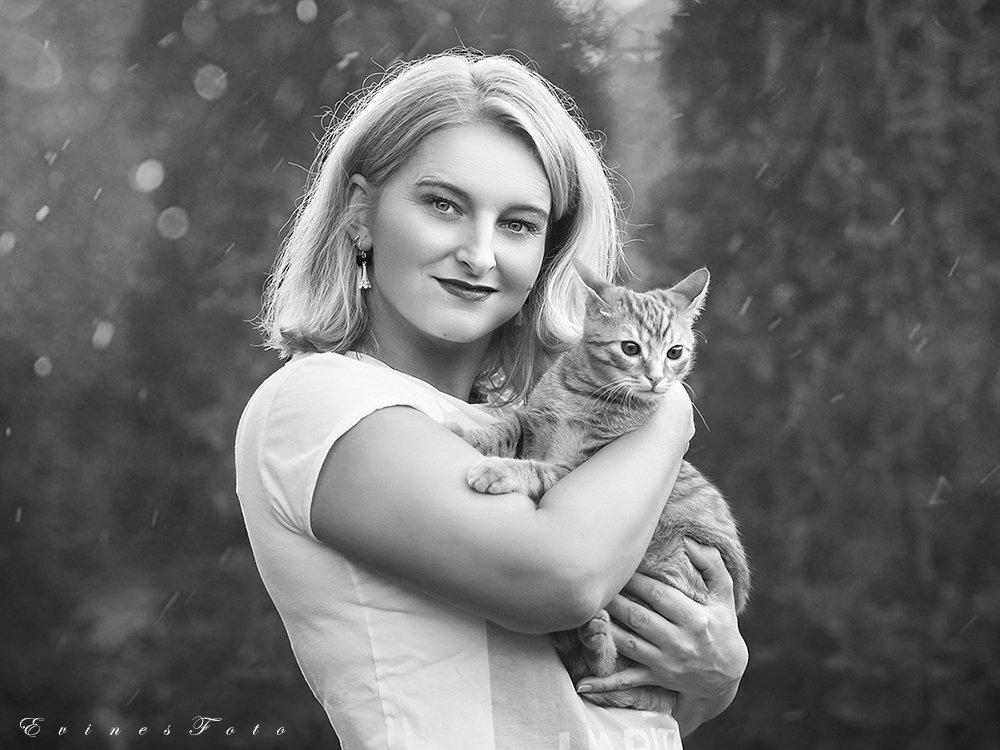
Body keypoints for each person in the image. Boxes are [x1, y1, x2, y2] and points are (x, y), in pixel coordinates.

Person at [235, 52, 747, 749]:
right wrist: (671, 410)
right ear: (360, 213)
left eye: (519, 224)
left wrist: (716, 678)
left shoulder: (521, 418)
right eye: (443, 205)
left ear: (548, 254)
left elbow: (618, 717)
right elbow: (560, 580)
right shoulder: (322, 402)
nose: (480, 254)